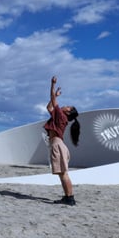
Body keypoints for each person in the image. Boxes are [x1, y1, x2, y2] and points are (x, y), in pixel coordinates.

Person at [44, 75, 81, 206]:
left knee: (63, 174)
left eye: (68, 107)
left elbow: (53, 102)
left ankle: (70, 198)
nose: (65, 106)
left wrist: (52, 85)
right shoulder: (60, 117)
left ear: (68, 113)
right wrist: (55, 96)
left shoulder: (61, 116)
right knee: (62, 174)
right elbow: (49, 107)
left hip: (57, 145)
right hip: (58, 145)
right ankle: (68, 197)